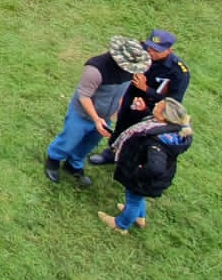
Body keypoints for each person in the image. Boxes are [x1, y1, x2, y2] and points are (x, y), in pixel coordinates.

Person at [43, 35, 149, 186]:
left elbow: (122, 91)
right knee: (70, 138)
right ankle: (54, 160)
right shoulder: (95, 69)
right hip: (82, 114)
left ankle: (74, 164)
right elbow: (84, 96)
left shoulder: (130, 69)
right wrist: (96, 119)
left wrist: (116, 111)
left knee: (90, 143)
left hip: (105, 116)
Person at [90, 29, 191, 166]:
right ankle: (112, 152)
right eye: (150, 47)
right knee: (123, 123)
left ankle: (131, 160)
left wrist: (146, 89)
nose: (151, 53)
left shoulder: (178, 72)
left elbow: (173, 101)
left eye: (157, 51)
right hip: (131, 95)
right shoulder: (141, 50)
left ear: (169, 50)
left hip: (154, 107)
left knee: (142, 134)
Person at [98, 97, 191, 234]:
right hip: (153, 179)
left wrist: (137, 173)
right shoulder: (170, 129)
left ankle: (120, 225)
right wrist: (143, 111)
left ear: (163, 115)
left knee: (133, 199)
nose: (156, 104)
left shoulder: (157, 142)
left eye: (159, 105)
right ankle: (140, 218)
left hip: (144, 180)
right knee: (137, 198)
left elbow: (155, 168)